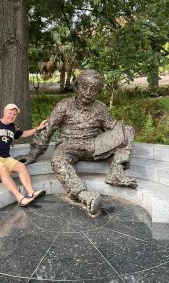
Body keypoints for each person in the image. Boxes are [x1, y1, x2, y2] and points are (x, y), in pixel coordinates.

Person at [18, 70, 137, 215]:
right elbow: (48, 130)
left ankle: (116, 173)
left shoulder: (101, 108)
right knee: (58, 160)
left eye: (93, 89)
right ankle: (83, 194)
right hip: (69, 145)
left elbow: (111, 129)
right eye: (84, 87)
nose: (88, 92)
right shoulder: (64, 106)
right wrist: (33, 154)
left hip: (93, 144)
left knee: (127, 130)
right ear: (77, 86)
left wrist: (122, 135)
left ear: (99, 91)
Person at [0, 103, 47, 207]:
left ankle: (31, 193)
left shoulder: (13, 127)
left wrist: (37, 128)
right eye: (10, 113)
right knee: (3, 169)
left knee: (21, 166)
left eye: (14, 114)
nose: (12, 116)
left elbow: (23, 134)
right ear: (4, 112)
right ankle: (20, 198)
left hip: (5, 157)